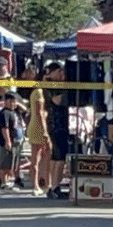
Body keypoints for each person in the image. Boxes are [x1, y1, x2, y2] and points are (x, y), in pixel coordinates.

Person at [43, 60, 70, 199]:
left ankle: (53, 185)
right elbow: (57, 100)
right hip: (56, 123)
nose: (62, 74)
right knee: (59, 156)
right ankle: (54, 186)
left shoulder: (56, 85)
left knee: (57, 156)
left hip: (61, 123)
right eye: (59, 71)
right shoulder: (49, 85)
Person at [26, 70, 52, 196]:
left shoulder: (37, 91)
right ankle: (36, 185)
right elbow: (39, 112)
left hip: (35, 125)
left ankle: (44, 183)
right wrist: (45, 131)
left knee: (43, 156)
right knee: (36, 158)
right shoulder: (39, 92)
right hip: (38, 127)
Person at [0, 91, 21, 189]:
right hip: (6, 143)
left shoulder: (13, 112)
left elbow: (25, 110)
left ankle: (6, 181)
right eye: (11, 101)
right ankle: (3, 182)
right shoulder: (4, 113)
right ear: (5, 102)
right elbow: (4, 128)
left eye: (15, 102)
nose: (13, 104)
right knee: (4, 163)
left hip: (15, 141)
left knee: (11, 163)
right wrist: (7, 141)